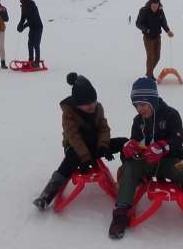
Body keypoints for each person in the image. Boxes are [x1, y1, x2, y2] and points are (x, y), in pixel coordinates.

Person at [108, 77, 183, 240]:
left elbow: (177, 139)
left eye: (143, 104)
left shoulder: (171, 115)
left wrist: (163, 147)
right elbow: (135, 139)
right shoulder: (138, 121)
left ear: (152, 100)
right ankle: (121, 213)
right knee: (128, 169)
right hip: (145, 160)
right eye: (136, 105)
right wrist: (130, 147)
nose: (139, 109)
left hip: (167, 160)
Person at [33, 72, 128, 210]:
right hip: (75, 147)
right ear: (77, 104)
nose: (91, 106)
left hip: (94, 144)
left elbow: (103, 129)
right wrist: (84, 158)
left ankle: (128, 178)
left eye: (93, 101)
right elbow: (73, 137)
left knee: (124, 142)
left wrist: (103, 146)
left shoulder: (98, 108)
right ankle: (47, 195)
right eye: (86, 104)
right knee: (70, 162)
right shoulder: (69, 113)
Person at [136, 0, 174, 80]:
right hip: (148, 37)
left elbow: (163, 22)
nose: (155, 8)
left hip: (157, 37)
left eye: (156, 6)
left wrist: (168, 31)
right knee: (150, 56)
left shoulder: (160, 11)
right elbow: (138, 23)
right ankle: (149, 76)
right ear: (150, 4)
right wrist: (146, 30)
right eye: (153, 6)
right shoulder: (143, 11)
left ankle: (148, 73)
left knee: (157, 57)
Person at [17, 0, 43, 68]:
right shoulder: (23, 7)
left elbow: (33, 18)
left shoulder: (31, 4)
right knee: (30, 44)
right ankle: (31, 61)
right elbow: (23, 18)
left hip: (38, 27)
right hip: (32, 27)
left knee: (36, 44)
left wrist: (24, 26)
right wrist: (19, 25)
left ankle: (37, 62)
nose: (20, 0)